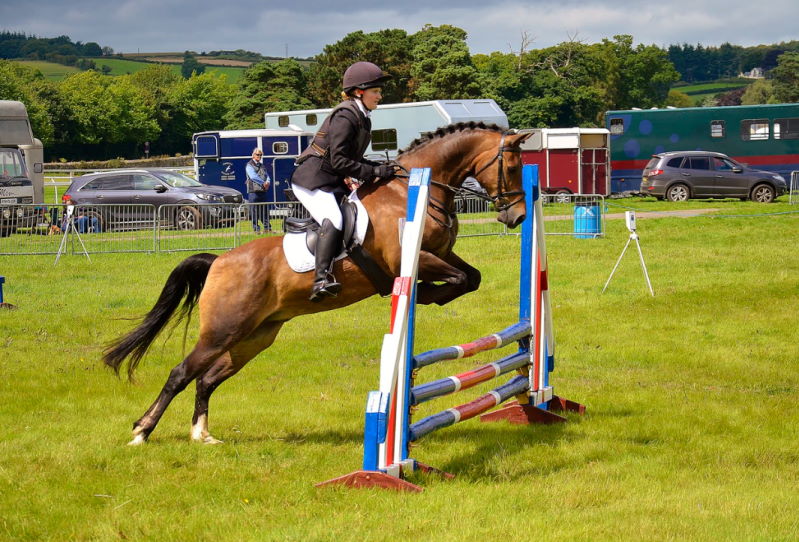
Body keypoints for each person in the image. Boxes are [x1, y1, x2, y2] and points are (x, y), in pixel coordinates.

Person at [290, 61, 397, 302]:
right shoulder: (346, 115)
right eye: (376, 91)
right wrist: (372, 171)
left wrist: (382, 168)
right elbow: (339, 161)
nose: (380, 96)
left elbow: (353, 159)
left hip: (331, 179)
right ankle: (321, 280)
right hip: (313, 179)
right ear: (360, 91)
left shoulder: (361, 116)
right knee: (335, 218)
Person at [245, 148, 272, 233]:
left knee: (265, 211)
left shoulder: (262, 165)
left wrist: (268, 182)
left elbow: (267, 175)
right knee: (254, 212)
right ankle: (256, 229)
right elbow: (253, 177)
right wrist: (264, 183)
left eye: (260, 155)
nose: (259, 156)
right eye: (257, 154)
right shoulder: (249, 165)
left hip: (262, 191)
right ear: (253, 155)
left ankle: (267, 229)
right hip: (253, 192)